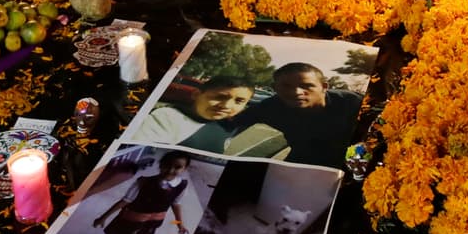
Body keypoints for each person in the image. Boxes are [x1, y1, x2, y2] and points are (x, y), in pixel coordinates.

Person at [233, 63, 363, 167]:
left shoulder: (352, 103)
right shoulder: (270, 107)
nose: (296, 92)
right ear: (275, 88)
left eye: (307, 86)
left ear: (324, 87)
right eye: (286, 86)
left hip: (349, 161)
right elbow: (229, 122)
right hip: (302, 159)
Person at [92, 150, 191, 234]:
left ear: (184, 169)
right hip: (132, 217)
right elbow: (125, 200)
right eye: (167, 165)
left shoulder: (182, 185)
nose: (171, 170)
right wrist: (103, 217)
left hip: (154, 220)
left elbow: (176, 203)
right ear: (160, 164)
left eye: (177, 167)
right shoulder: (143, 182)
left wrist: (180, 224)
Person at [127, 77, 254, 149]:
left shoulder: (226, 128)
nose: (226, 106)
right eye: (219, 97)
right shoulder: (167, 117)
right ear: (197, 95)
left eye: (239, 101)